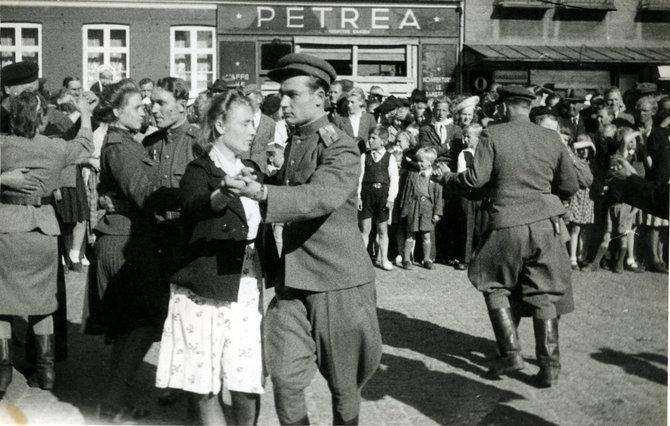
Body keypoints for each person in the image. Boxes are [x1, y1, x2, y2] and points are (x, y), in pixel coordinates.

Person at [223, 53, 382, 425]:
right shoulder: (297, 140)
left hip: (337, 283)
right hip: (292, 284)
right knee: (284, 378)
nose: (283, 102)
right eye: (281, 94)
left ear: (321, 97)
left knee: (344, 389)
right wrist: (258, 182)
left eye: (293, 94)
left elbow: (320, 196)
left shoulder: (340, 146)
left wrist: (264, 194)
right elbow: (291, 187)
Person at [435, 85, 578, 388]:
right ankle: (550, 367)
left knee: (494, 283)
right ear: (527, 107)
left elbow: (475, 179)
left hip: (506, 223)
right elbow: (569, 184)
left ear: (502, 107)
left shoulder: (494, 134)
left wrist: (447, 177)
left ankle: (511, 353)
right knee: (544, 292)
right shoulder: (551, 137)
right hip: (546, 224)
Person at [156, 91, 264, 425]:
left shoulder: (253, 169)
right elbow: (194, 206)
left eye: (253, 123)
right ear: (219, 124)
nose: (252, 131)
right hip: (204, 289)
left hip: (245, 285)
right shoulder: (199, 169)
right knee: (205, 386)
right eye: (245, 123)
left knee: (247, 384)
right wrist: (223, 193)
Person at [86, 79, 181, 422]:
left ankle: (116, 402)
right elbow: (144, 193)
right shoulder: (121, 146)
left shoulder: (123, 141)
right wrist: (193, 194)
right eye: (138, 106)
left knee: (129, 327)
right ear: (116, 111)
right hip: (128, 244)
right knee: (145, 323)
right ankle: (111, 403)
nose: (145, 111)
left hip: (124, 237)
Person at [0, 90, 94, 397]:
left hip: (8, 229)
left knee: (2, 304)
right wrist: (84, 111)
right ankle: (47, 370)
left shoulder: (3, 146)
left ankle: (2, 370)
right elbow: (85, 144)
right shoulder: (54, 147)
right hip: (44, 230)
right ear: (41, 119)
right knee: (43, 304)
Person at [357, 125, 399, 271]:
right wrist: (358, 197)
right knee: (365, 229)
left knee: (383, 230)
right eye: (369, 137)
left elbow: (394, 179)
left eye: (374, 138)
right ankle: (362, 260)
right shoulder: (365, 156)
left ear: (383, 141)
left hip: (383, 195)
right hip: (366, 195)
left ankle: (384, 259)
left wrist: (391, 199)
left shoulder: (390, 158)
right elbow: (360, 177)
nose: (370, 140)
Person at [398, 147, 443, 270]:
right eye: (418, 161)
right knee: (410, 234)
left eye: (422, 161)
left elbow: (439, 196)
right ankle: (406, 259)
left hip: (428, 207)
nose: (419, 163)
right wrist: (404, 207)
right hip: (413, 205)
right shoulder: (412, 174)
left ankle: (426, 259)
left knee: (426, 235)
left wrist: (437, 212)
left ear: (430, 162)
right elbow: (406, 191)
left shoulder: (435, 177)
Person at [332, 87, 377, 154]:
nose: (349, 105)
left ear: (361, 102)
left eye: (352, 102)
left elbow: (374, 138)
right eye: (348, 102)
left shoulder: (369, 118)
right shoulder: (339, 119)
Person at [242, 84, 275, 173]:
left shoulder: (270, 123)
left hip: (261, 172)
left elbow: (271, 148)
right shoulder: (239, 121)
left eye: (249, 99)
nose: (246, 103)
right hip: (240, 171)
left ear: (259, 99)